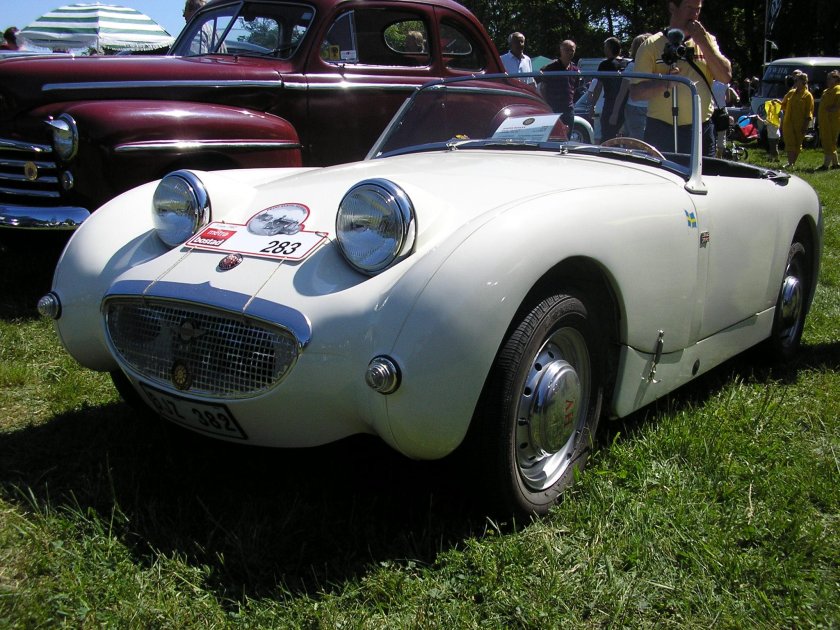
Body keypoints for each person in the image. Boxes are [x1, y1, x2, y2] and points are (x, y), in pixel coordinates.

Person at [630, 0, 732, 156]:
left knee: (704, 177)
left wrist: (703, 42)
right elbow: (636, 93)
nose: (694, 15)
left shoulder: (707, 41)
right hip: (661, 130)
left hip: (700, 128)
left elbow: (725, 76)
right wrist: (664, 83)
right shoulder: (650, 45)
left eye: (698, 10)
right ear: (672, 7)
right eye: (689, 8)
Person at [612, 33, 652, 141]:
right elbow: (622, 92)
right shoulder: (632, 66)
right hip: (635, 108)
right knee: (636, 140)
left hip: (653, 109)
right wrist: (615, 113)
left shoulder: (655, 66)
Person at [589, 37, 627, 142]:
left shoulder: (605, 64)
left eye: (605, 47)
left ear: (609, 49)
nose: (604, 50)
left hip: (610, 103)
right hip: (626, 104)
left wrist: (592, 105)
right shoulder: (626, 64)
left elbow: (598, 86)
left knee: (607, 135)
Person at [538, 39, 579, 128]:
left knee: (567, 138)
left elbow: (574, 88)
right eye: (566, 50)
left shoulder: (575, 70)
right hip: (553, 109)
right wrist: (546, 107)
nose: (569, 52)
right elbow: (543, 88)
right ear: (561, 50)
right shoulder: (550, 68)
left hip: (569, 110)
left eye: (571, 50)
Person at [780, 70, 814, 169]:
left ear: (803, 82)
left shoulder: (808, 96)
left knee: (797, 143)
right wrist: (777, 103)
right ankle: (790, 163)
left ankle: (792, 162)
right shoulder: (791, 93)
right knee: (789, 142)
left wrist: (806, 124)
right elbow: (783, 104)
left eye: (797, 80)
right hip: (788, 122)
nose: (795, 82)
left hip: (800, 123)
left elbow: (809, 111)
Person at [817, 70, 840, 170]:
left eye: (830, 78)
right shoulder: (826, 91)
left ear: (836, 78)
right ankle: (836, 164)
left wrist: (833, 109)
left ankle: (826, 165)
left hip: (832, 121)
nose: (827, 80)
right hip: (824, 121)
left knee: (829, 142)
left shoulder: (838, 89)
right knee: (828, 141)